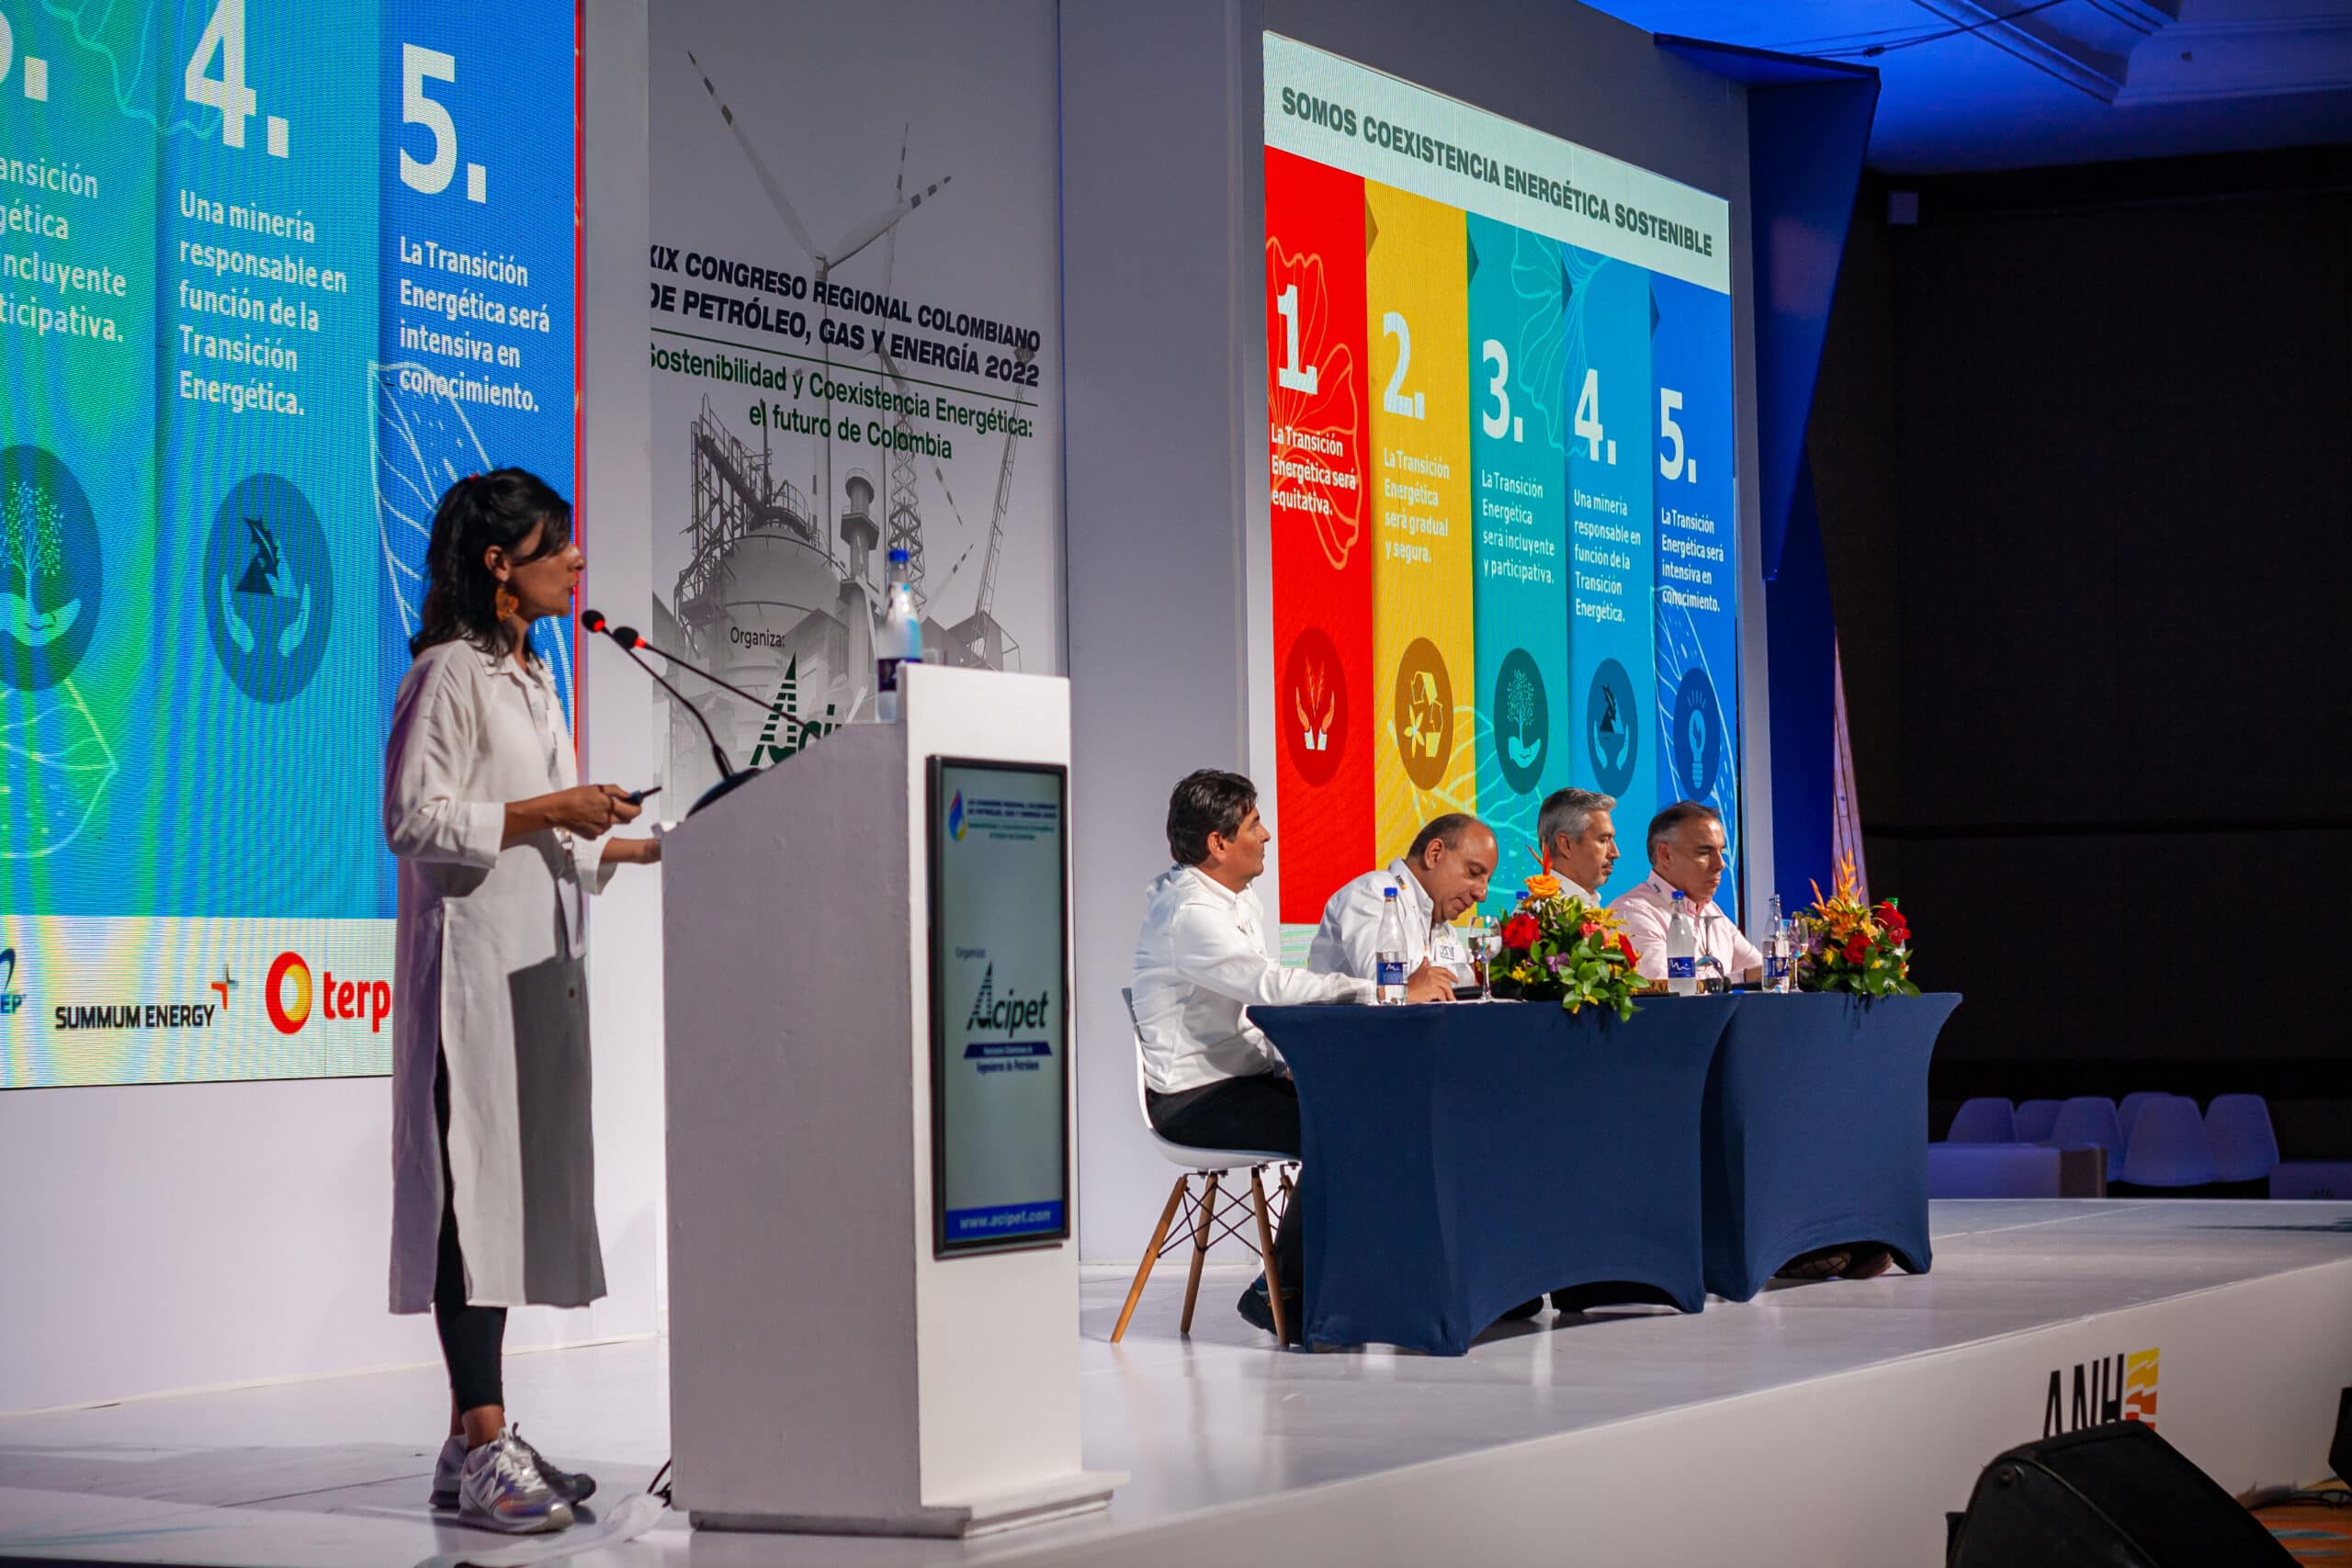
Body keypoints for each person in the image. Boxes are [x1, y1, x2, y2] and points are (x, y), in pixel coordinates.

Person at [384, 469, 661, 1535]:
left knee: (500, 1204)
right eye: (558, 544)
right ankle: (486, 1439)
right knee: (471, 1207)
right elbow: (416, 819)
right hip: (467, 983)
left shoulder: (535, 677)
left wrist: (635, 845)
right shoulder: (447, 675)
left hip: (529, 976)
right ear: (499, 564)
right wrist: (554, 806)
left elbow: (542, 840)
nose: (578, 560)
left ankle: (470, 1448)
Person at [1130, 771, 1449, 1343]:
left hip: (1242, 1081)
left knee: (1373, 1113)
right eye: (1254, 825)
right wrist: (1386, 991)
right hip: (1193, 1100)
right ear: (1218, 843)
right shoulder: (1189, 914)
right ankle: (1284, 1291)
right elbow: (1270, 987)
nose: (1268, 835)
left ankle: (1343, 1287)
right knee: (1346, 1126)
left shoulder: (1234, 900)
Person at [1306, 813, 1497, 985]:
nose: (1482, 894)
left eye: (1487, 882)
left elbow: (1470, 985)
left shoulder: (1444, 929)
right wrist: (1466, 974)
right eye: (1473, 872)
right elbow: (1388, 983)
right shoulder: (1373, 892)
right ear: (1434, 854)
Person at [1611, 801, 1762, 986]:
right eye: (1704, 852)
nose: (1720, 864)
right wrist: (1741, 978)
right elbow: (1669, 990)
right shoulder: (1632, 913)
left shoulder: (1712, 911)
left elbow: (1761, 973)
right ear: (1665, 855)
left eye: (1721, 851)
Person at [1534, 787, 1619, 905]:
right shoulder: (1542, 911)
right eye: (1603, 840)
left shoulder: (1586, 901)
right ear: (1565, 845)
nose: (1615, 853)